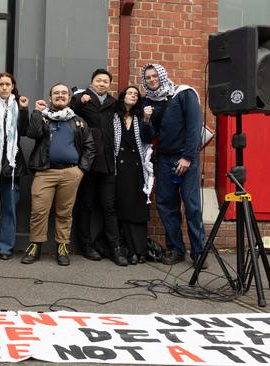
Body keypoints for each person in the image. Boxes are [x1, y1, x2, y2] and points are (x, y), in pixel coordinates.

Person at [23, 83, 95, 266]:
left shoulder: (78, 120)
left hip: (71, 173)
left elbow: (89, 146)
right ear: (50, 97)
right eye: (56, 93)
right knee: (39, 211)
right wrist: (37, 113)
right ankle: (35, 246)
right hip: (45, 172)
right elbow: (32, 133)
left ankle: (62, 246)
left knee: (65, 212)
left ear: (69, 98)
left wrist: (81, 169)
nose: (60, 95)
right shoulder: (43, 116)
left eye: (64, 93)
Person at [141, 63, 205, 266]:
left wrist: (187, 157)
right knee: (167, 205)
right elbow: (147, 137)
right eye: (148, 77)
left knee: (192, 205)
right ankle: (176, 249)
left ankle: (199, 252)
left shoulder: (184, 94)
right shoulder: (148, 102)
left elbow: (194, 128)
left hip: (185, 158)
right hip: (164, 159)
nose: (152, 80)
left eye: (154, 76)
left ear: (162, 75)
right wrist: (146, 119)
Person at [71, 68, 128, 266]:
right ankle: (86, 246)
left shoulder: (113, 103)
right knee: (85, 205)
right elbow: (69, 111)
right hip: (88, 161)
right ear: (92, 81)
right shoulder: (83, 98)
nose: (102, 84)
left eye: (105, 81)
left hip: (109, 162)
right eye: (98, 80)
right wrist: (80, 101)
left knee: (109, 207)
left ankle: (115, 248)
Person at [0, 72, 29, 260]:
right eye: (0, 84)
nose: (4, 87)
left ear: (12, 87)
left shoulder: (19, 107)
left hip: (12, 165)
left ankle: (6, 247)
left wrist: (25, 110)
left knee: (9, 208)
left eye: (7, 84)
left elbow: (25, 131)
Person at [113, 86, 154, 264]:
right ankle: (132, 251)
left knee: (138, 207)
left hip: (138, 167)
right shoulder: (114, 116)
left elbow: (147, 139)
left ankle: (140, 250)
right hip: (119, 167)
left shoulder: (139, 117)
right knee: (124, 206)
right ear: (122, 96)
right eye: (130, 93)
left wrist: (146, 119)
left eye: (136, 94)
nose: (133, 96)